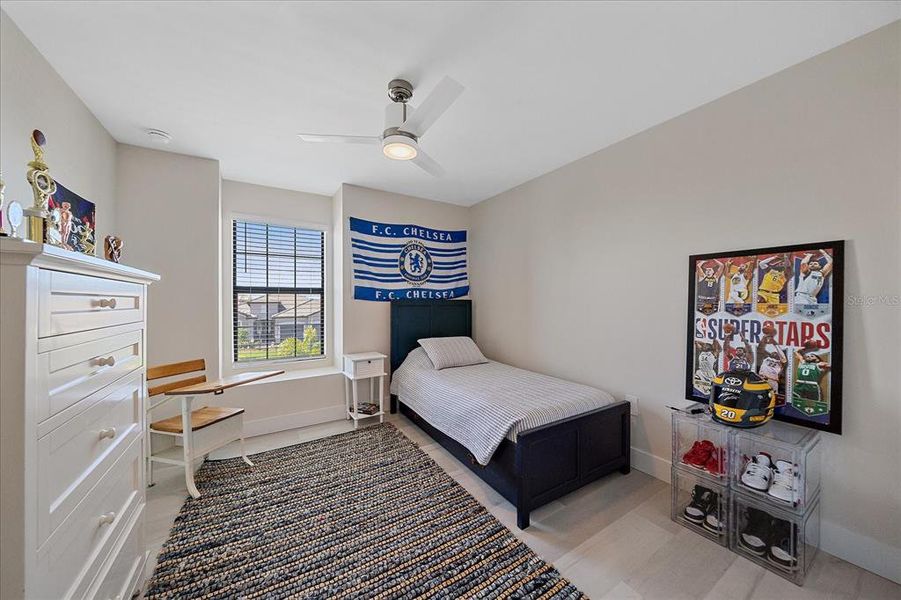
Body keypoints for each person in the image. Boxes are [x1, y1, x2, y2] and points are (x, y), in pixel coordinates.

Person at [792, 348, 831, 414]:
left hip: (812, 386)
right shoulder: (802, 362)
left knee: (816, 404)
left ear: (817, 359)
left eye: (812, 356)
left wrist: (824, 365)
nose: (809, 356)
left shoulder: (819, 364)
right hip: (799, 385)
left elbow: (830, 365)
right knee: (796, 401)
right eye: (808, 356)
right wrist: (805, 347)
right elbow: (796, 351)